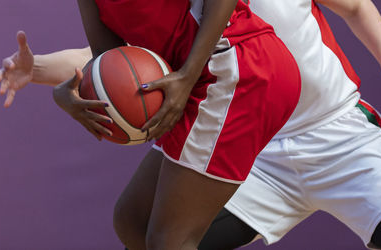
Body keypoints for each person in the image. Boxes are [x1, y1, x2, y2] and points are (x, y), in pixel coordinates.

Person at [0, 0, 381, 249]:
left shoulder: (232, 34)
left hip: (337, 138)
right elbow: (123, 64)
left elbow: (354, 6)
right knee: (144, 228)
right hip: (255, 155)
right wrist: (35, 71)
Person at [54, 1, 302, 249]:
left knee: (170, 241)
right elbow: (108, 58)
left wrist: (186, 76)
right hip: (201, 79)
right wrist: (72, 93)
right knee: (133, 221)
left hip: (236, 65)